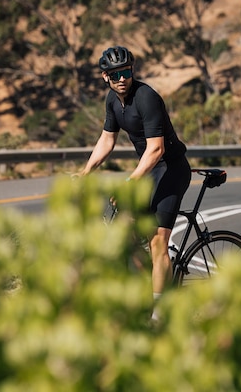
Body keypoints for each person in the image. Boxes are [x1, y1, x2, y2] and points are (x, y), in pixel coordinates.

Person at [78, 46, 191, 320]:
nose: (121, 79)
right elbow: (107, 139)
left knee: (157, 242)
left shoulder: (146, 97)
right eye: (115, 74)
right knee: (125, 233)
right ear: (105, 77)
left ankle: (159, 314)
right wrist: (86, 171)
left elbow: (156, 150)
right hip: (150, 170)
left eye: (126, 72)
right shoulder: (112, 101)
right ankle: (155, 278)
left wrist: (130, 181)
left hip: (171, 170)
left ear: (132, 71)